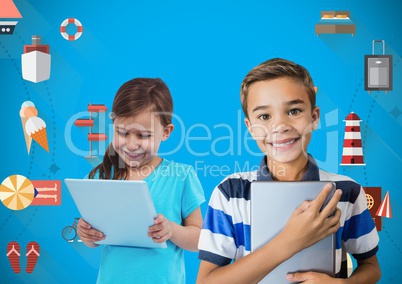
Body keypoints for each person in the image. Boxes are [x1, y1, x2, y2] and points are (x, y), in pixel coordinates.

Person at [197, 58, 381, 283]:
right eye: (264, 116)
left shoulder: (347, 191)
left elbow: (371, 267)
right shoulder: (230, 193)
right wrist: (288, 242)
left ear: (314, 118)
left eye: (294, 111)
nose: (280, 126)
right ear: (250, 127)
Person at [76, 78, 205, 284]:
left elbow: (199, 240)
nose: (132, 144)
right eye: (122, 133)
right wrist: (86, 234)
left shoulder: (181, 177)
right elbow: (93, 242)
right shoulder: (102, 178)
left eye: (143, 135)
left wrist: (172, 230)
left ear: (166, 132)